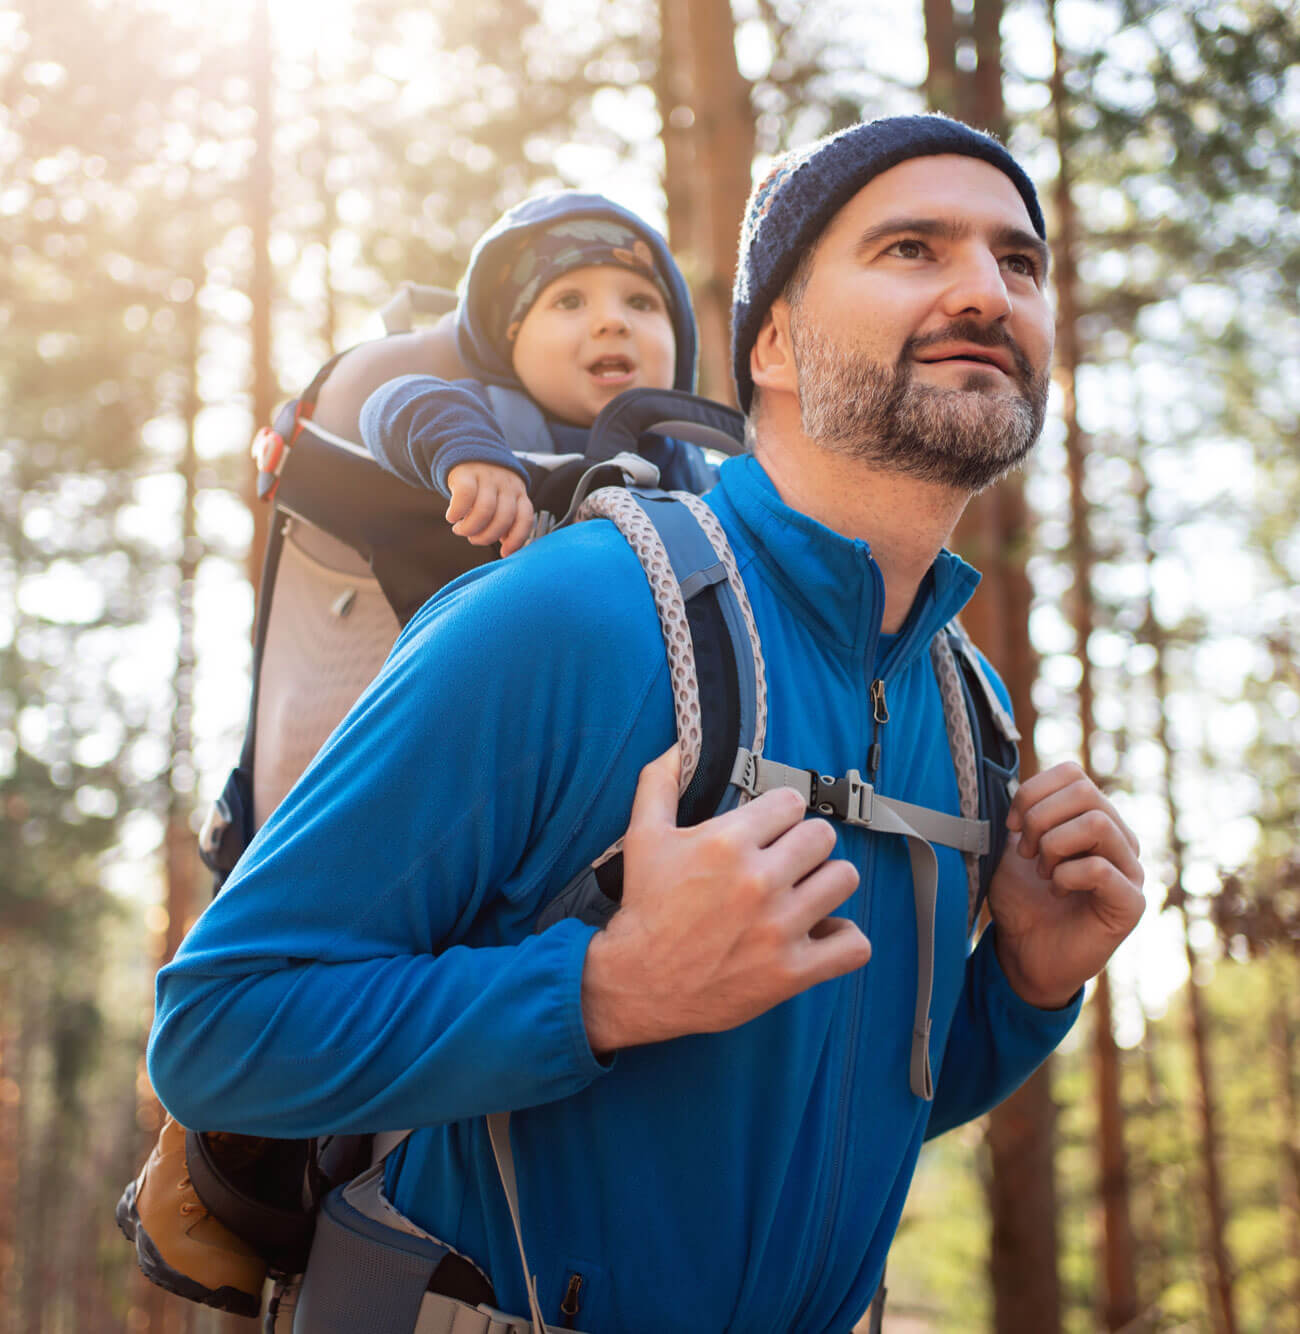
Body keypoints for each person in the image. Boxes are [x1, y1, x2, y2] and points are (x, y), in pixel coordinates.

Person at [150, 114, 1145, 1334]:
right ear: (771, 341)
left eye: (1019, 262)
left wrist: (1029, 986)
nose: (984, 292)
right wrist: (605, 992)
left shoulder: (965, 709)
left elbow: (825, 1109)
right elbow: (216, 1032)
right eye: (910, 249)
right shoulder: (569, 616)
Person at [359, 191, 713, 555]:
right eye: (569, 301)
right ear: (511, 341)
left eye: (640, 302)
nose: (613, 321)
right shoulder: (489, 417)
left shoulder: (693, 459)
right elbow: (389, 406)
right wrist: (469, 453)